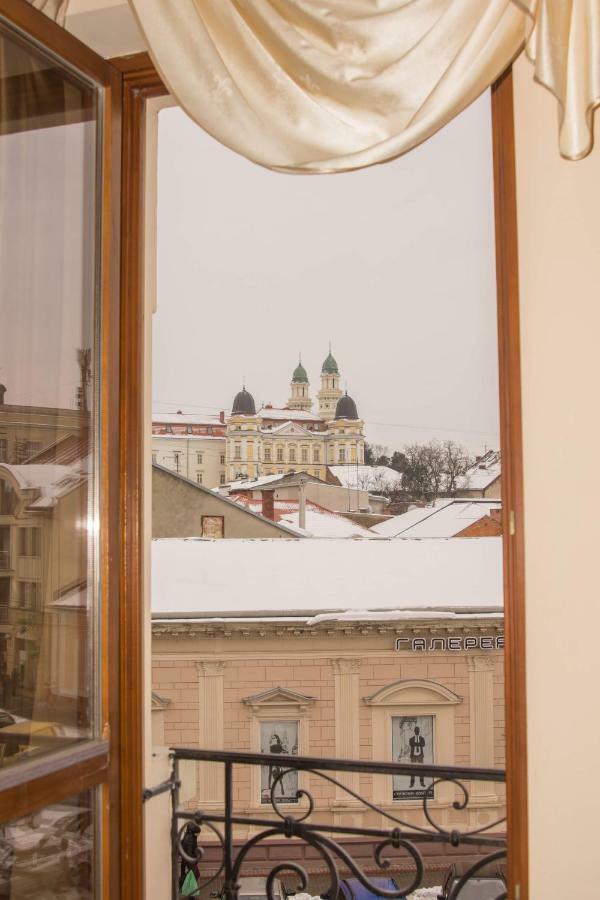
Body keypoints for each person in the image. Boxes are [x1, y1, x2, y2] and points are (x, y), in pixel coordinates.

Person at [179, 821, 200, 888]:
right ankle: (181, 882)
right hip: (190, 860)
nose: (198, 834)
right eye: (198, 833)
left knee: (194, 874)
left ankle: (186, 887)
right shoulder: (190, 839)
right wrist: (194, 861)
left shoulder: (189, 836)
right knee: (196, 874)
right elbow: (189, 852)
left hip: (186, 860)